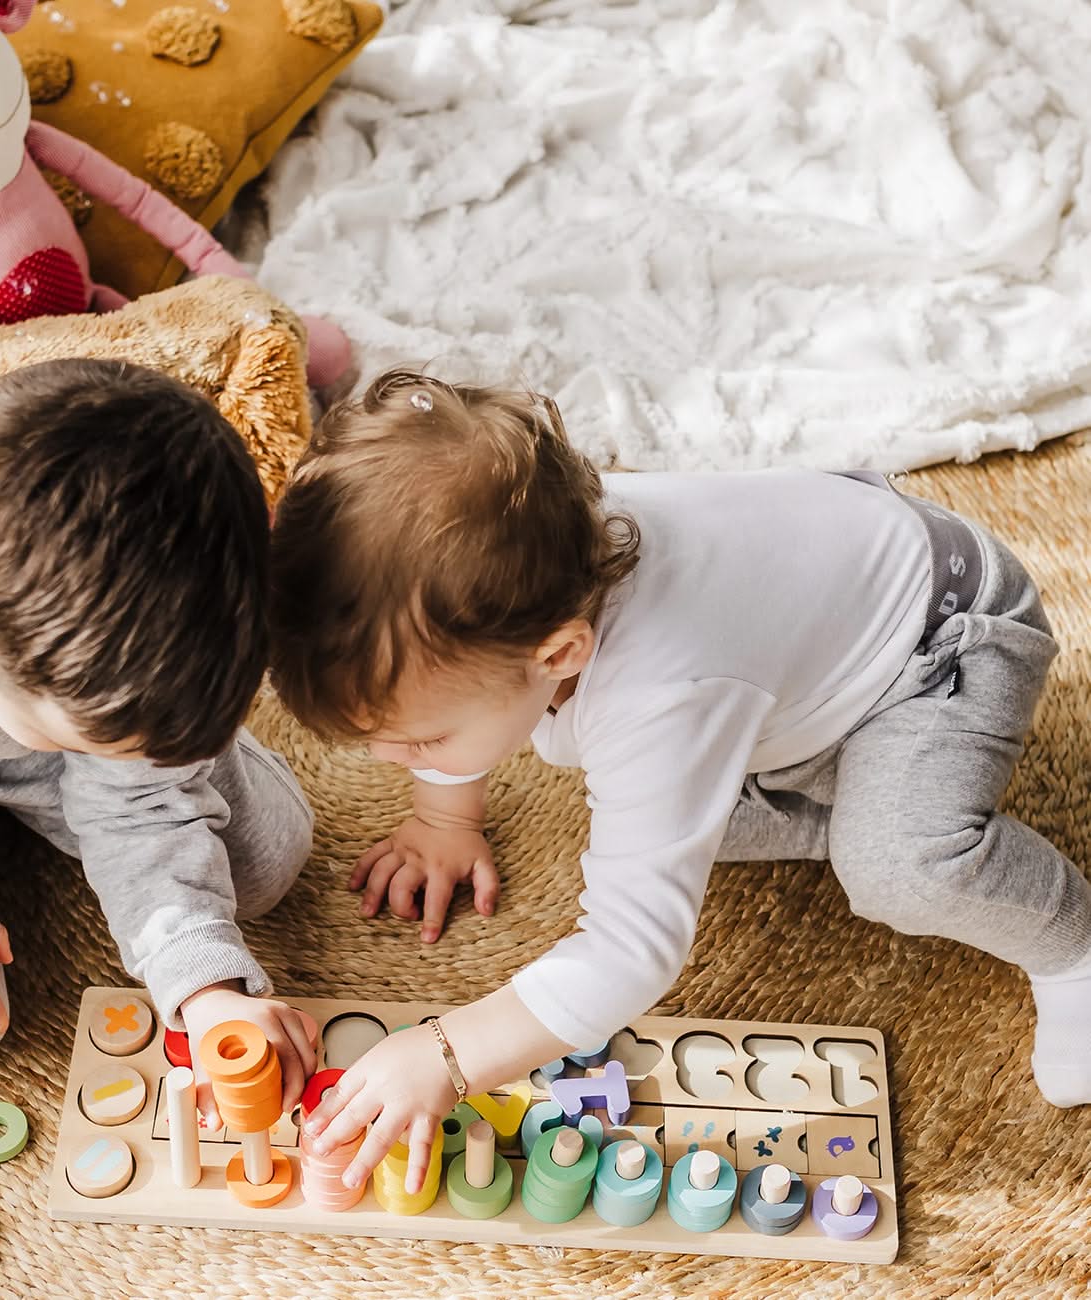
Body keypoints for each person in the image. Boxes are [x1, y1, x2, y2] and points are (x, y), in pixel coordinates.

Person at [267, 368, 1091, 1194]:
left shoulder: (663, 689)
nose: (394, 761)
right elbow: (454, 693)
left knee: (901, 868)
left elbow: (632, 952)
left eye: (423, 741)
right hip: (802, 654)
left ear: (559, 655)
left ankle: (1076, 952)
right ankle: (847, 816)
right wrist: (445, 816)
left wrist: (446, 1052)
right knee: (678, 820)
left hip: (943, 644)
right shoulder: (517, 559)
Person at [0, 358, 316, 1120]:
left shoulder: (89, 493)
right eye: (103, 740)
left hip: (15, 706)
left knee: (263, 860)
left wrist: (205, 993)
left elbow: (142, 795)